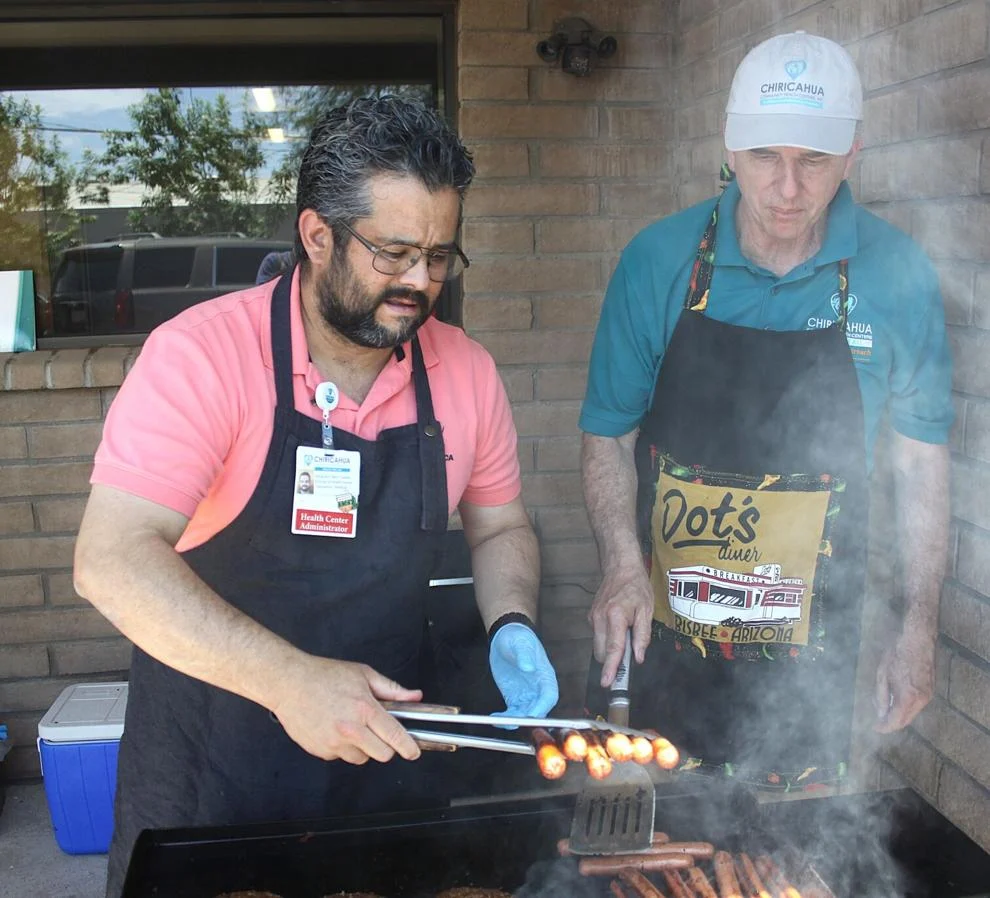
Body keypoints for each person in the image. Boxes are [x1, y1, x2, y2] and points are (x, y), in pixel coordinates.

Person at [73, 96, 559, 897]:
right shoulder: (202, 358)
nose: (418, 282)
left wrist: (512, 623)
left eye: (439, 256)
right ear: (316, 235)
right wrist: (290, 681)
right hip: (214, 775)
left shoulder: (466, 371)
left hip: (387, 767)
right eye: (394, 252)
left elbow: (501, 524)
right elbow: (111, 559)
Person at [579, 32, 952, 792]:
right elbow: (608, 438)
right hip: (665, 638)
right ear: (729, 147)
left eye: (812, 160)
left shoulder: (899, 274)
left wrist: (919, 626)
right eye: (764, 159)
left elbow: (922, 463)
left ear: (852, 153)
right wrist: (621, 564)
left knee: (798, 849)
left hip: (812, 667)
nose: (787, 188)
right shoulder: (660, 261)